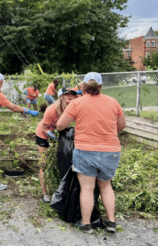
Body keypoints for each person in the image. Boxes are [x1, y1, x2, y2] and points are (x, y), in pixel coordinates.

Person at [57, 72, 126, 234]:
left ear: (83, 87)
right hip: (111, 151)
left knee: (87, 189)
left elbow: (60, 125)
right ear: (101, 86)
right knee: (106, 186)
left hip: (85, 151)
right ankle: (111, 222)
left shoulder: (77, 103)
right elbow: (122, 125)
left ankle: (87, 225)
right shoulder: (113, 102)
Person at [35, 87, 77, 203]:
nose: (70, 96)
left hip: (58, 135)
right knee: (44, 164)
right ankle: (45, 193)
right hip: (43, 135)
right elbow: (44, 128)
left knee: (60, 162)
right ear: (61, 97)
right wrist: (51, 136)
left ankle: (59, 189)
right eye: (66, 94)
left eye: (72, 94)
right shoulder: (51, 109)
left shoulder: (73, 108)